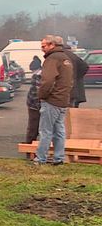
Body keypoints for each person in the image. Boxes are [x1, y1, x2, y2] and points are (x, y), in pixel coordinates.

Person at [33, 35, 73, 165]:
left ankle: (40, 159)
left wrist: (42, 96)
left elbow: (47, 81)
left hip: (52, 101)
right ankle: (59, 158)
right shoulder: (66, 58)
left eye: (44, 46)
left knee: (45, 131)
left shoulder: (52, 59)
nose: (42, 49)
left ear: (52, 45)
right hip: (63, 100)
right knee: (59, 131)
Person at [62, 43, 89, 108]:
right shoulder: (74, 56)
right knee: (73, 105)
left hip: (67, 86)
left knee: (68, 108)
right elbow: (85, 66)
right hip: (75, 86)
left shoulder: (62, 55)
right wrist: (78, 76)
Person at [25, 67, 42, 144]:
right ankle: (29, 148)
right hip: (35, 105)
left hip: (36, 103)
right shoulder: (39, 75)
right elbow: (38, 92)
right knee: (33, 127)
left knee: (34, 127)